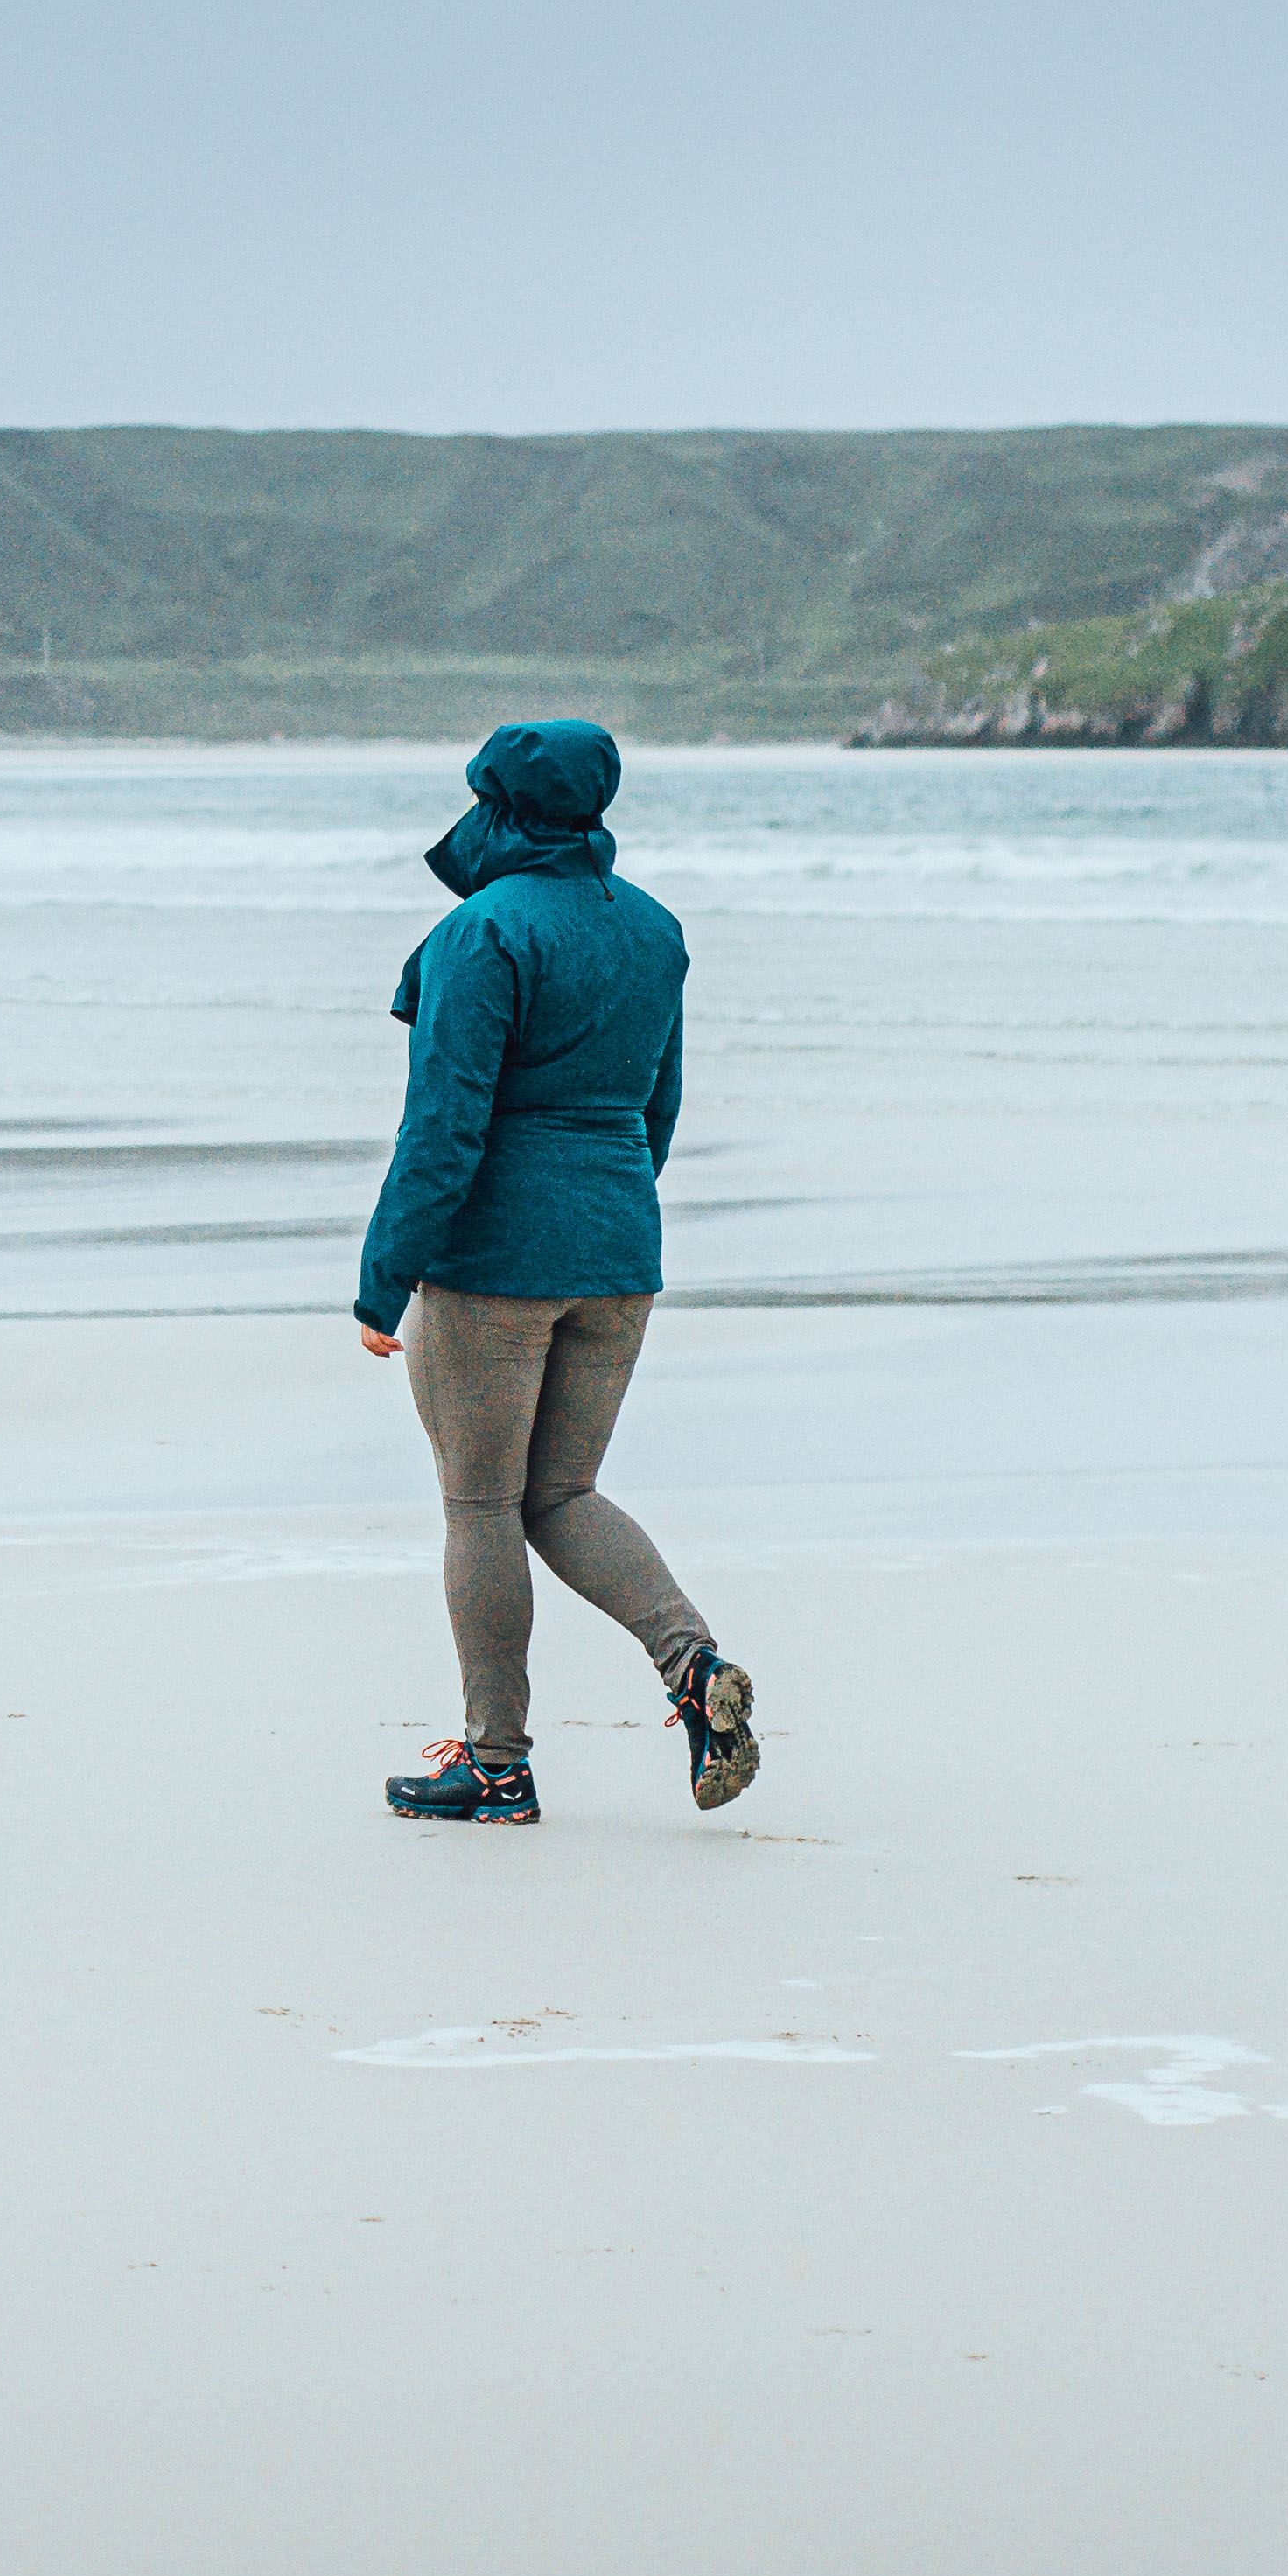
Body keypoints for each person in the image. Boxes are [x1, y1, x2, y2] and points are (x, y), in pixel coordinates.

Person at [352, 720, 758, 1826]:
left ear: (500, 803)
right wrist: (606, 1217)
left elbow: (442, 1129)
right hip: (619, 1250)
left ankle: (495, 1764)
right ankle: (691, 1662)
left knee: (481, 1504)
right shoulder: (655, 930)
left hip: (494, 1262)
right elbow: (656, 1107)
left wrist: (384, 1278)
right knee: (563, 1493)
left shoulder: (479, 936)